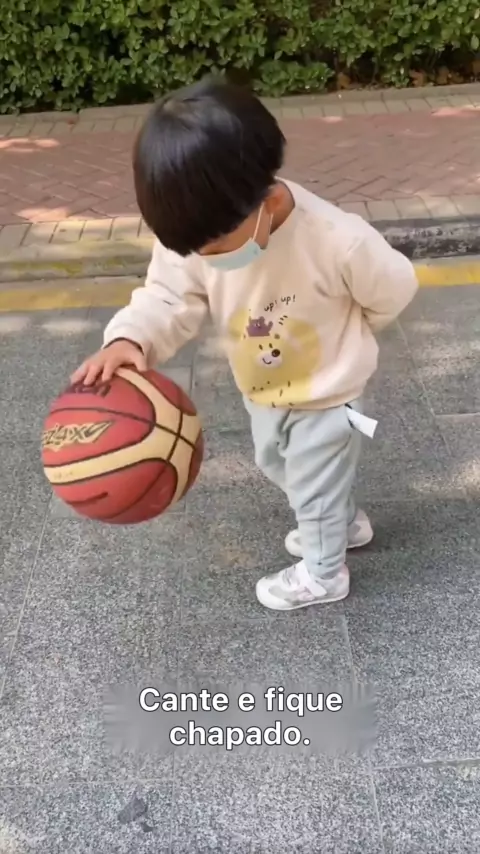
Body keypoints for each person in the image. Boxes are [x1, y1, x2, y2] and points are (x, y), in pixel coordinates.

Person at [71, 76, 418, 612]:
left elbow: (393, 287)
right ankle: (342, 521)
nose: (204, 259)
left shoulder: (337, 240)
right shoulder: (198, 230)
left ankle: (324, 574)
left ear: (267, 200)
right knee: (278, 464)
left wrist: (352, 340)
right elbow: (167, 296)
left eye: (214, 248)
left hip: (329, 395)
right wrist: (130, 337)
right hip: (264, 387)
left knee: (312, 478)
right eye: (194, 250)